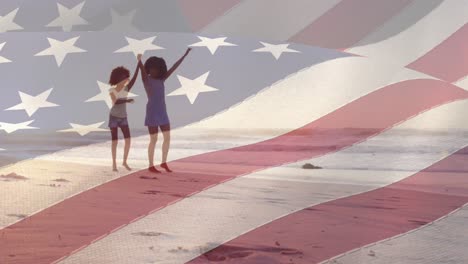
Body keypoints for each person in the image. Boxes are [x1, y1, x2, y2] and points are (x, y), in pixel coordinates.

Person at [137, 48, 191, 173]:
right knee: (154, 139)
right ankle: (151, 165)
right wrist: (139, 59)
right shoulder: (146, 80)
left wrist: (185, 54)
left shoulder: (161, 79)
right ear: (148, 69)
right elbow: (141, 68)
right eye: (152, 68)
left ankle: (164, 162)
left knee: (167, 138)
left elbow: (174, 67)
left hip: (162, 112)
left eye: (157, 68)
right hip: (152, 112)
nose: (154, 71)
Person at [108, 60, 139, 172]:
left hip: (123, 117)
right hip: (113, 117)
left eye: (126, 77)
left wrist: (139, 64)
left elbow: (135, 78)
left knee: (128, 140)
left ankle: (124, 161)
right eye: (123, 77)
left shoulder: (126, 89)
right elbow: (115, 102)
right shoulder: (111, 90)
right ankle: (114, 163)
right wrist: (128, 100)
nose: (125, 79)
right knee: (114, 141)